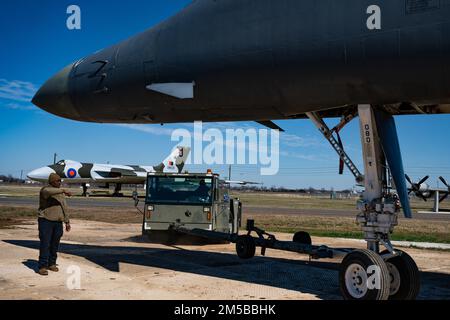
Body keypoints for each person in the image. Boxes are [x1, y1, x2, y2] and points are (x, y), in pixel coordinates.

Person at [37, 173, 71, 276]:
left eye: (60, 181)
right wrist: (64, 190)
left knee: (55, 244)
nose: (59, 182)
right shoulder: (46, 190)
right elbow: (48, 191)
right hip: (46, 221)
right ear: (51, 182)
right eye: (57, 181)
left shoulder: (59, 193)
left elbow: (64, 206)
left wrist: (67, 221)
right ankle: (42, 266)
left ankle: (51, 263)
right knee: (45, 243)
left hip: (58, 222)